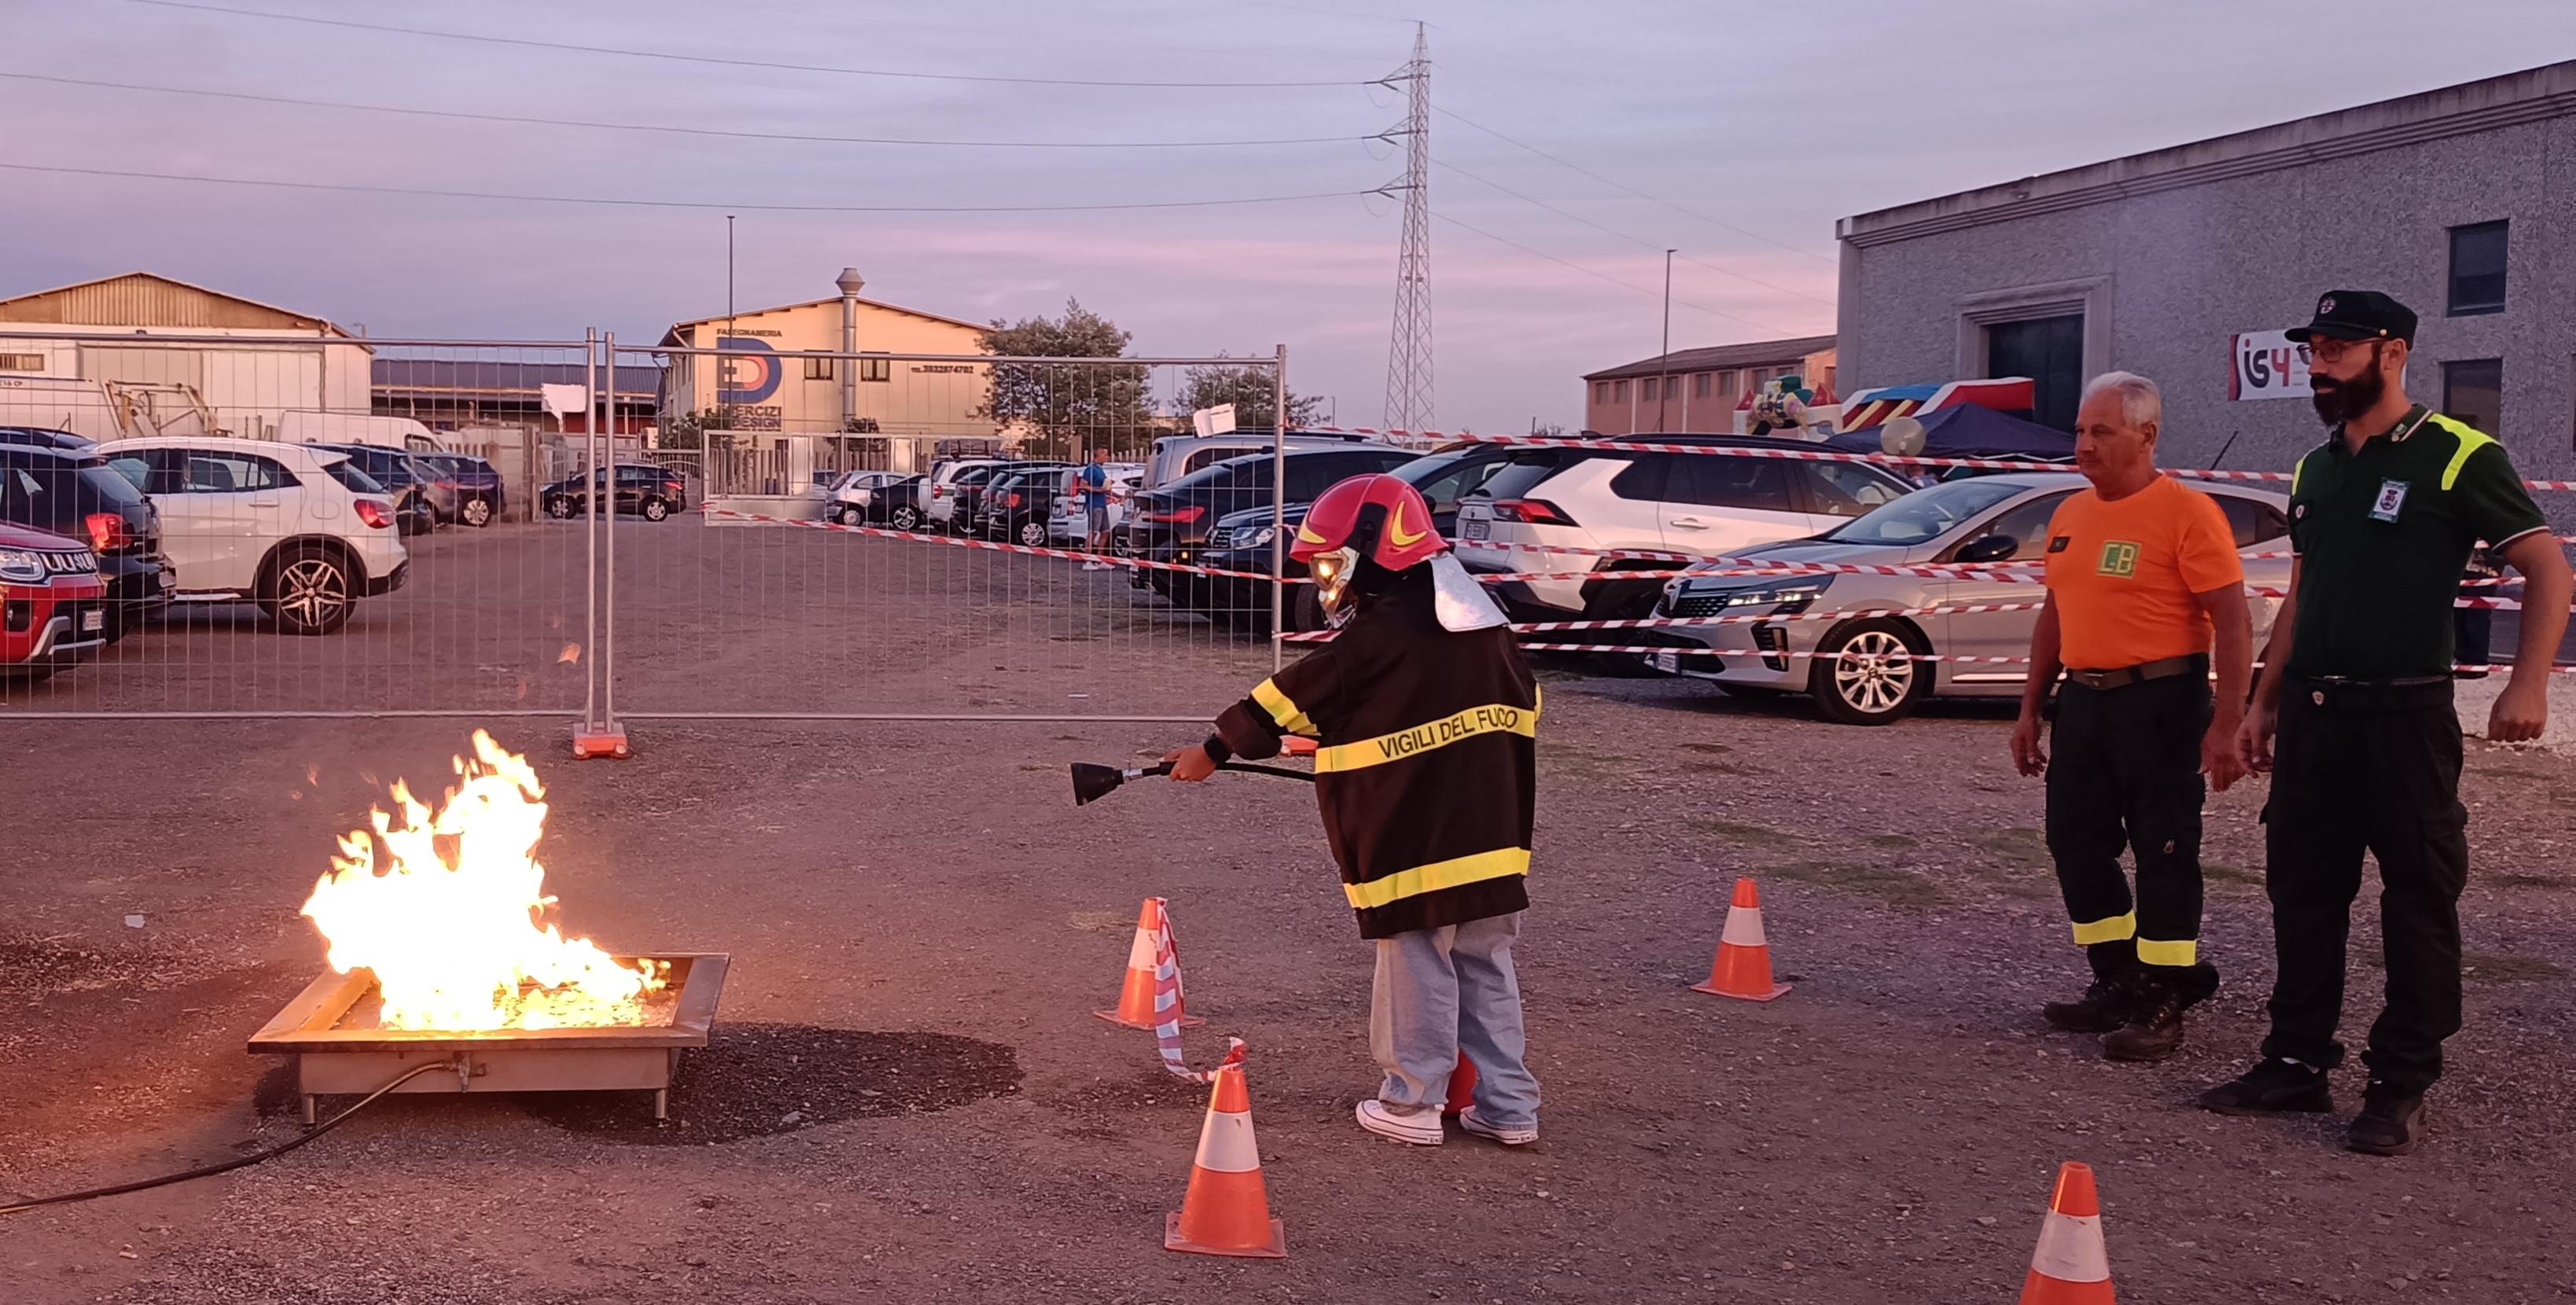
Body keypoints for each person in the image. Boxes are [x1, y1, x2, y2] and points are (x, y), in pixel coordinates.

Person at [2201, 290, 2574, 1156]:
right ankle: (2294, 1061)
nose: (2319, 366)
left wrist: (2529, 687)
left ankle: (2400, 1078)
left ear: (2392, 353)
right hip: (2316, 714)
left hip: (2406, 715)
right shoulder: (2316, 468)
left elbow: (2550, 571)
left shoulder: (2457, 456)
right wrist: (2263, 702)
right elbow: (2307, 590)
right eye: (2313, 351)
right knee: (2303, 893)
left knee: (2417, 899)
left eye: (2336, 350)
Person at [1163, 472, 1543, 1147]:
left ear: (1375, 551)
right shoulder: (1478, 622)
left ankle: (1412, 1104)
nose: (1325, 576)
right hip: (1494, 831)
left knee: (1417, 960)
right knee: (1486, 964)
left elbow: (1298, 690)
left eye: (1332, 560)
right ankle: (1509, 1107)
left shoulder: (1387, 628)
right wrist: (1347, 740)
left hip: (1417, 835)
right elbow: (1470, 711)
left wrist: (1216, 747)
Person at [2012, 372, 2253, 1061]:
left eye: (2101, 433)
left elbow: (2232, 624)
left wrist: (2226, 723)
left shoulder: (2187, 513)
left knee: (2164, 849)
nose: (2084, 446)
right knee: (2075, 843)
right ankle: (2117, 977)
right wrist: (2031, 708)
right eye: (2081, 432)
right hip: (2084, 701)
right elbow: (2054, 617)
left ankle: (2164, 994)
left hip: (2162, 703)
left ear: (2146, 437)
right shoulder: (2070, 515)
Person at [1077, 450, 1112, 569]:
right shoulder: (1090, 469)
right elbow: (1083, 485)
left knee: (1106, 531)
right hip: (1094, 504)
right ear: (1099, 455)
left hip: (1102, 504)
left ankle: (1100, 560)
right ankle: (1087, 561)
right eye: (1105, 455)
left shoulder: (1100, 469)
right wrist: (1097, 490)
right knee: (1093, 531)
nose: (1107, 457)